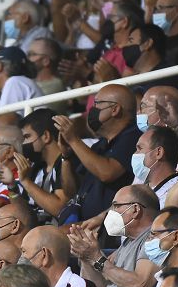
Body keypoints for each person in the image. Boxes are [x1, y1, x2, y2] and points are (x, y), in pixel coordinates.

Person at [56, 84, 140, 221]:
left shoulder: (133, 137)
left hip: (107, 227)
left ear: (115, 109)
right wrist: (66, 157)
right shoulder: (100, 145)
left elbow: (107, 173)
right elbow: (71, 192)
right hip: (81, 225)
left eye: (97, 104)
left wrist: (73, 140)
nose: (91, 110)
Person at [71, 184, 160, 287]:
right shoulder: (126, 243)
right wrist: (87, 258)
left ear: (135, 210)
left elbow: (139, 284)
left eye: (116, 206)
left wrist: (97, 258)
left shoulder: (155, 238)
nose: (110, 212)